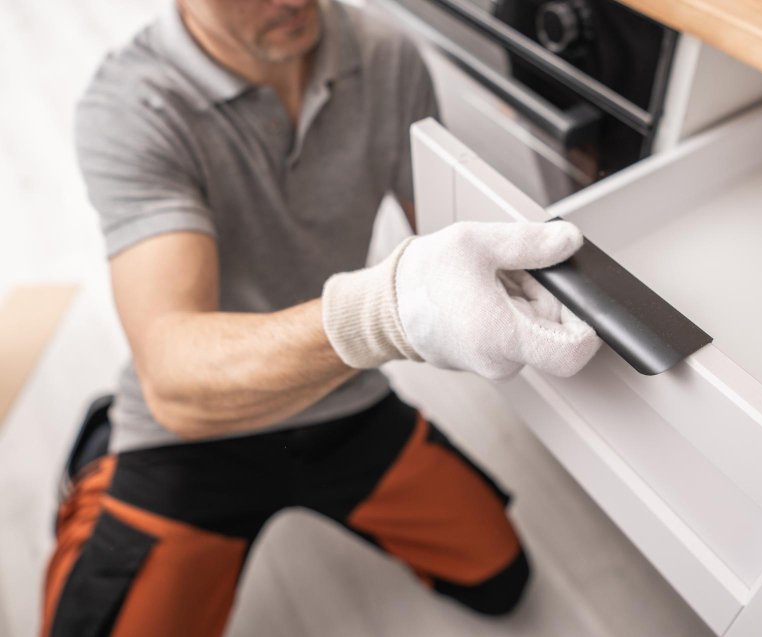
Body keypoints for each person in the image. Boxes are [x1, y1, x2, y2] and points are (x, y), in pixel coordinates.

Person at [40, 0, 600, 635]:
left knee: (499, 581)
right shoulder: (131, 106)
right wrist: (387, 311)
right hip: (198, 429)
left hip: (340, 393)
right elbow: (173, 380)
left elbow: (446, 235)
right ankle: (100, 446)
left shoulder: (385, 55)